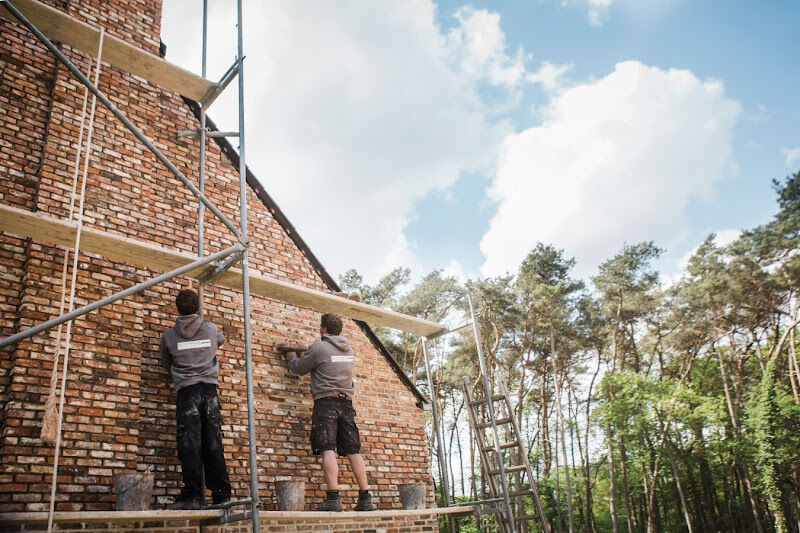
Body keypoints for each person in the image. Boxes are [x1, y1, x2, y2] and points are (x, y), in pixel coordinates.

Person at [278, 313, 374, 512]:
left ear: (323, 329)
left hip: (326, 403)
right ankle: (365, 499)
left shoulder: (319, 347)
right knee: (353, 451)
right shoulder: (348, 350)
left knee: (327, 449)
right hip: (347, 404)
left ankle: (333, 499)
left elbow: (298, 369)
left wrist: (291, 355)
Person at [160, 289, 231, 510]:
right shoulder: (209, 329)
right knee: (212, 442)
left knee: (189, 444)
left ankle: (192, 496)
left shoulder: (169, 336)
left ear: (177, 309)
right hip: (209, 392)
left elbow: (165, 363)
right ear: (198, 307)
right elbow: (221, 340)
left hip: (187, 393)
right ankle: (221, 496)